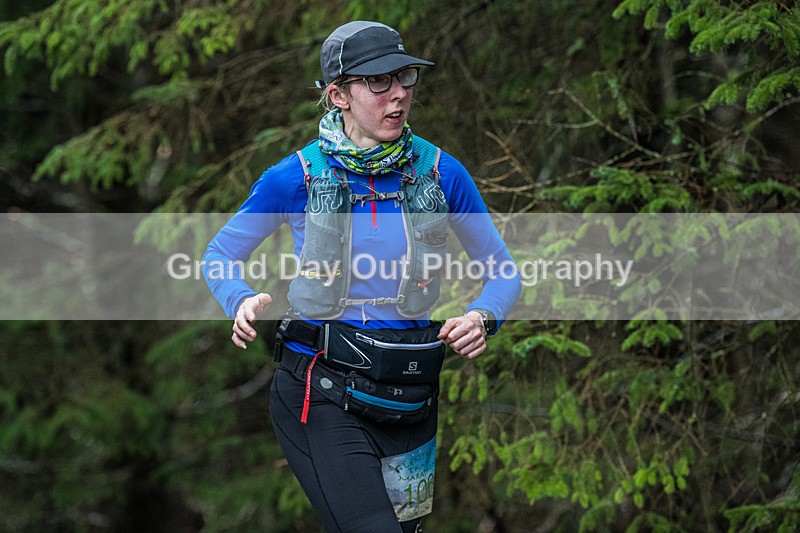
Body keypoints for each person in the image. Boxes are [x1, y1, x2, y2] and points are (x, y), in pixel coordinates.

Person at [203, 20, 521, 533]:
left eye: (405, 78)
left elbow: (504, 273)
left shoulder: (442, 173)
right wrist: (237, 298)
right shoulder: (295, 177)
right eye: (378, 82)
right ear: (338, 95)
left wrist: (484, 316)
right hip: (321, 393)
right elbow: (218, 254)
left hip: (410, 399)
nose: (397, 95)